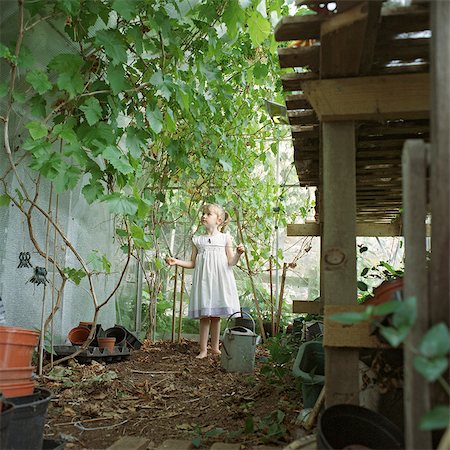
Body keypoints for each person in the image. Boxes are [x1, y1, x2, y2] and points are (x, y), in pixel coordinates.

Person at [166, 203, 244, 359]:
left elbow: (231, 262)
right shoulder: (198, 240)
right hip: (204, 283)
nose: (204, 216)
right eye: (203, 213)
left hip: (219, 281)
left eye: (209, 214)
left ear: (219, 220)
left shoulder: (225, 239)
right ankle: (203, 349)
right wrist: (177, 262)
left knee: (215, 317)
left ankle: (215, 348)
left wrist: (238, 254)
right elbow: (192, 263)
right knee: (204, 317)